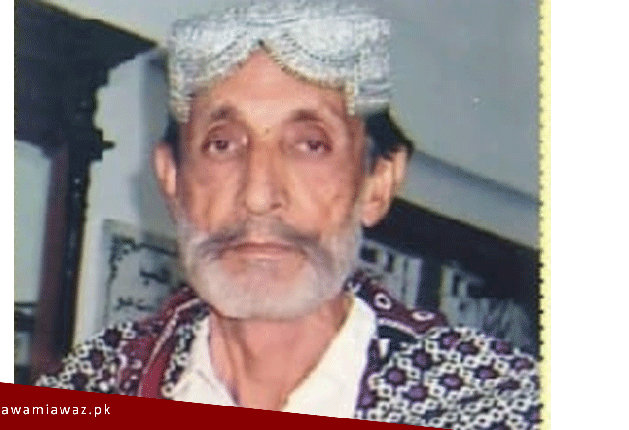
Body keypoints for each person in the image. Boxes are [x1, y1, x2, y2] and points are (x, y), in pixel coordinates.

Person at [37, 2, 540, 427]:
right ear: (172, 180)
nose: (259, 195)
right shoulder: (93, 387)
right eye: (222, 144)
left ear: (377, 184)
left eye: (310, 145)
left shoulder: (499, 406)